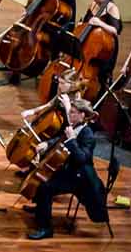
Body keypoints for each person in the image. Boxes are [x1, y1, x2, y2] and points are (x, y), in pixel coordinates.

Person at [27, 99, 106, 240]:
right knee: (41, 176)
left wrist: (72, 141)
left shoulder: (88, 134)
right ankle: (41, 207)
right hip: (70, 170)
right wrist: (47, 143)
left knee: (45, 187)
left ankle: (46, 228)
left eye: (73, 112)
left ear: (82, 115)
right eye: (70, 112)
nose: (69, 115)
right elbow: (60, 139)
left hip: (80, 179)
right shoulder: (74, 127)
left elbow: (82, 159)